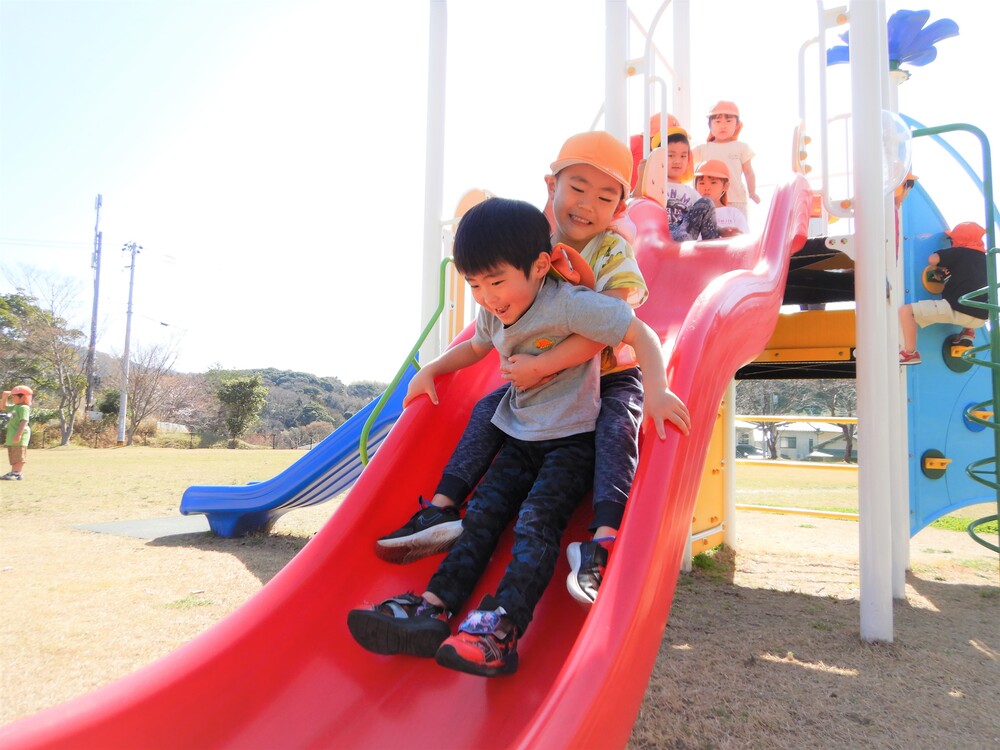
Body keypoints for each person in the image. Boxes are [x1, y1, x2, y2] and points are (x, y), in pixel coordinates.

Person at [347, 197, 690, 677]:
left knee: (535, 525)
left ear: (539, 266)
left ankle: (501, 628)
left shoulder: (569, 303)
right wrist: (432, 368)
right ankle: (432, 607)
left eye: (496, 281)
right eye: (474, 285)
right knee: (480, 520)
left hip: (571, 441)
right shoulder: (495, 311)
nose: (487, 296)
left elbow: (640, 333)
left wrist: (655, 391)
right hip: (518, 436)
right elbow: (475, 346)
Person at [377, 131, 657, 606]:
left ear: (621, 207)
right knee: (488, 408)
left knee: (615, 426)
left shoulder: (612, 252)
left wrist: (542, 363)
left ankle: (604, 537)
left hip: (609, 372)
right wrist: (435, 368)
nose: (587, 204)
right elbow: (487, 334)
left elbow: (605, 329)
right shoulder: (534, 247)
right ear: (552, 186)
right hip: (545, 384)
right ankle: (442, 507)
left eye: (605, 196)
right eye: (577, 188)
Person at [899, 221, 989, 365]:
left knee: (906, 311)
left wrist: (942, 256)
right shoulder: (985, 260)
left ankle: (910, 353)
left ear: (958, 240)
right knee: (975, 295)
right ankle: (968, 333)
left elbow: (932, 259)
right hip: (981, 318)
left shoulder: (959, 252)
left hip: (955, 310)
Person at [692, 100, 759, 219]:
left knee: (738, 232)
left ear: (737, 125)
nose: (723, 125)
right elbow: (684, 160)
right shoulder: (702, 148)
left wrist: (752, 191)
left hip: (736, 199)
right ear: (710, 125)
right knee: (710, 234)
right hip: (709, 201)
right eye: (717, 121)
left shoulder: (741, 147)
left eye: (728, 121)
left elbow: (748, 171)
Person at [658, 128, 720, 241]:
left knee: (706, 202)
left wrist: (720, 230)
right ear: (659, 158)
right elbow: (635, 203)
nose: (677, 161)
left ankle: (712, 247)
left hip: (684, 234)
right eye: (671, 156)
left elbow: (706, 217)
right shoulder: (653, 186)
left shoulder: (690, 192)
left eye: (683, 156)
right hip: (661, 235)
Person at [693, 159, 749, 237]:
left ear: (725, 186)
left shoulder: (734, 214)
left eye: (713, 182)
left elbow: (745, 240)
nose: (707, 188)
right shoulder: (691, 214)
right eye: (701, 183)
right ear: (695, 187)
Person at [1, 385, 33, 480]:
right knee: (13, 454)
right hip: (13, 435)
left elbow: (24, 421)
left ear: (23, 397)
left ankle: (17, 473)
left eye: (14, 396)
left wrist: (18, 435)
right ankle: (14, 472)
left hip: (20, 434)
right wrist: (4, 396)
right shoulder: (16, 407)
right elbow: (2, 407)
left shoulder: (23, 407)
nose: (13, 398)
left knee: (19, 454)